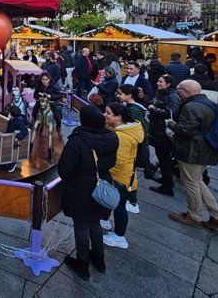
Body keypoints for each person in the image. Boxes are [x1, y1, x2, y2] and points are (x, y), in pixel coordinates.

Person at [57, 105, 118, 280]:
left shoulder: (78, 139)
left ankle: (82, 263)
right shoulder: (112, 137)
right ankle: (99, 259)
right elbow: (111, 162)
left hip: (80, 188)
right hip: (102, 184)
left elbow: (65, 169)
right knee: (95, 222)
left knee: (82, 225)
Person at [168, 80, 218, 229]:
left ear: (186, 91)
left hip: (193, 150)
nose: (178, 92)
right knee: (197, 181)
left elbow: (185, 130)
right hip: (204, 149)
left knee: (191, 183)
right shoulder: (208, 103)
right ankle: (217, 216)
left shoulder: (191, 107)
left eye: (180, 90)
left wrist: (170, 123)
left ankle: (194, 216)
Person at [102, 103, 144, 249]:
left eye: (108, 113)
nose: (105, 115)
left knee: (119, 206)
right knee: (110, 200)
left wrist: (103, 170)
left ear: (119, 117)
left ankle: (120, 237)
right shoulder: (123, 130)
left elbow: (117, 161)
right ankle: (104, 219)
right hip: (122, 175)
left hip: (118, 177)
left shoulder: (122, 137)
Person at [148, 74, 181, 196]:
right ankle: (166, 179)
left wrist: (153, 109)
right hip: (158, 130)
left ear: (168, 84)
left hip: (163, 131)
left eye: (160, 82)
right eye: (158, 81)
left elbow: (171, 113)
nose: (157, 83)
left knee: (164, 157)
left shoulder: (172, 96)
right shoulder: (163, 94)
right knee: (162, 156)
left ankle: (167, 185)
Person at [117, 84, 154, 184]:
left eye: (120, 94)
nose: (118, 96)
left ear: (129, 95)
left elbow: (138, 127)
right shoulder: (134, 106)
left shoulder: (133, 109)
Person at [6, 105, 28, 172]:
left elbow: (25, 130)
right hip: (9, 138)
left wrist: (17, 137)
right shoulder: (12, 119)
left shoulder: (19, 121)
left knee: (13, 151)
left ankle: (13, 163)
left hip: (14, 141)